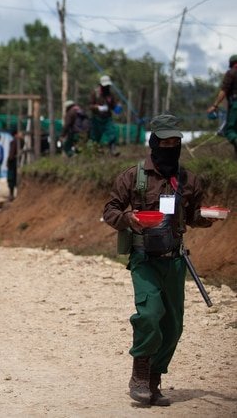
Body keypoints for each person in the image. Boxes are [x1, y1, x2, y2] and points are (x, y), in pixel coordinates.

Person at [102, 114, 217, 406]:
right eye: (164, 141)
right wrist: (128, 218)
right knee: (150, 314)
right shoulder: (134, 176)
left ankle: (154, 380)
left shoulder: (189, 179)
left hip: (175, 261)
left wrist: (207, 218)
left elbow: (193, 216)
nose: (169, 146)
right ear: (153, 142)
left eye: (175, 142)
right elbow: (110, 209)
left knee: (174, 326)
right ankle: (139, 376)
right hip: (144, 259)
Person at [206, 54, 237, 156]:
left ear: (232, 64)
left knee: (230, 131)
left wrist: (214, 106)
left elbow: (224, 91)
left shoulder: (231, 73)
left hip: (235, 105)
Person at [89, 75, 120, 156]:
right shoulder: (95, 93)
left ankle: (113, 149)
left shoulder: (110, 94)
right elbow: (90, 106)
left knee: (112, 133)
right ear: (101, 85)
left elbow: (113, 106)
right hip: (97, 119)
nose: (107, 87)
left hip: (107, 118)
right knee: (95, 136)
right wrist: (98, 107)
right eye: (105, 85)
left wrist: (117, 108)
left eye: (108, 85)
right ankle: (95, 151)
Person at [6, 130, 24, 201]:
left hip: (13, 163)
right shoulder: (21, 142)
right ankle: (14, 194)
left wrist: (9, 161)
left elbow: (11, 154)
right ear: (16, 134)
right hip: (16, 162)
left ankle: (11, 194)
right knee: (15, 179)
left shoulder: (14, 142)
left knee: (11, 179)